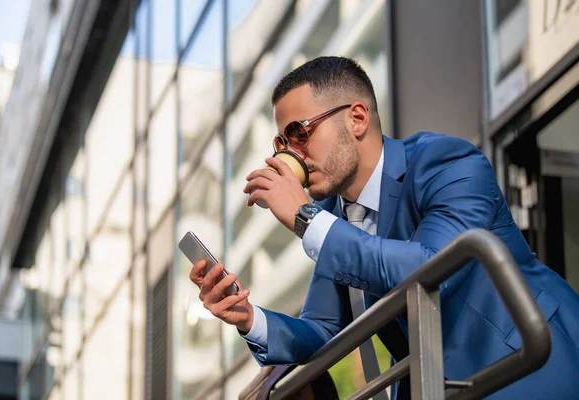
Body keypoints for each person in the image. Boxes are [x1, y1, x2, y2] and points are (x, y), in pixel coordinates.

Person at [189, 56, 579, 399]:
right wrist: (248, 317)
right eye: (282, 141)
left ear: (357, 118)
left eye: (300, 133)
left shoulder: (446, 162)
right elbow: (322, 329)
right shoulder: (333, 216)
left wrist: (307, 220)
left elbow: (432, 271)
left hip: (536, 367)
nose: (290, 153)